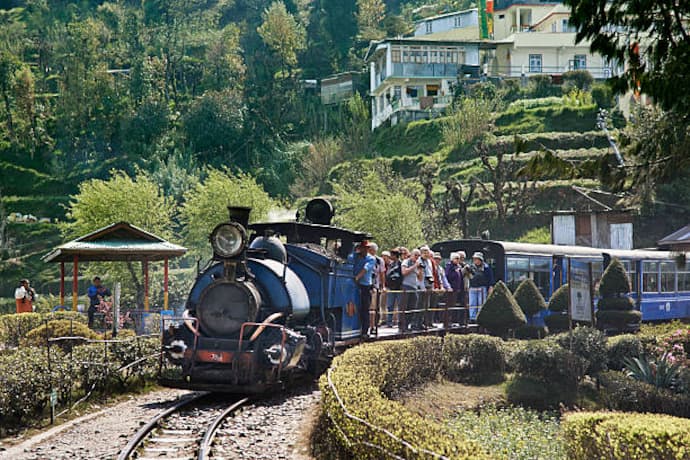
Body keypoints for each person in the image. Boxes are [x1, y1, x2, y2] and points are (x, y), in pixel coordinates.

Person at [351, 241, 376, 338]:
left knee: (365, 308)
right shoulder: (355, 256)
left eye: (367, 248)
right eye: (363, 248)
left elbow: (365, 269)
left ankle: (365, 331)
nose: (365, 250)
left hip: (365, 285)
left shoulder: (371, 259)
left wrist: (357, 277)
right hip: (354, 284)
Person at [401, 248, 424, 330]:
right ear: (411, 254)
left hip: (414, 287)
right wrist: (414, 266)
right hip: (406, 286)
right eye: (415, 255)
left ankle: (408, 324)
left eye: (418, 256)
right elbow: (404, 272)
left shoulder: (417, 264)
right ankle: (402, 326)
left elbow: (420, 278)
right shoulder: (406, 262)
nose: (417, 257)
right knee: (405, 307)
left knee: (412, 307)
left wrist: (421, 270)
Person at [384, 249, 403, 327]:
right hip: (391, 287)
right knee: (390, 305)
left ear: (395, 255)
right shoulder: (390, 265)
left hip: (399, 287)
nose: (390, 256)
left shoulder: (401, 264)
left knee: (400, 305)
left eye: (392, 255)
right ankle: (389, 322)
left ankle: (400, 322)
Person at [445, 253, 464, 325]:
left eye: (458, 258)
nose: (458, 260)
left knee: (453, 305)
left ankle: (452, 320)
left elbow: (460, 277)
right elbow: (447, 276)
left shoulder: (458, 267)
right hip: (451, 288)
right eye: (456, 258)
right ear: (452, 259)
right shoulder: (449, 266)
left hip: (457, 289)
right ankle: (447, 321)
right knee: (449, 305)